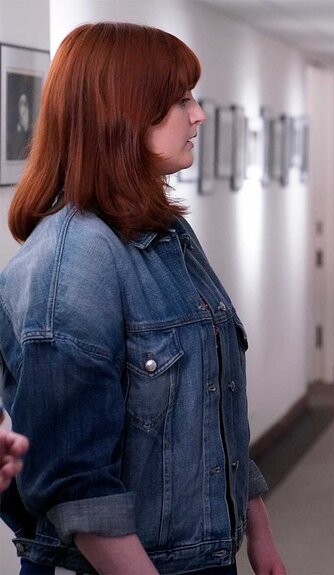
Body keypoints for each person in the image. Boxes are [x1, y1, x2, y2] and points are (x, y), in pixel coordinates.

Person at [0, 23, 286, 575]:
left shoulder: (167, 236)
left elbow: (213, 402)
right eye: (180, 100)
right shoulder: (72, 263)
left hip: (198, 558)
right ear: (122, 113)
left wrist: (258, 529)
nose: (198, 115)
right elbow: (71, 480)